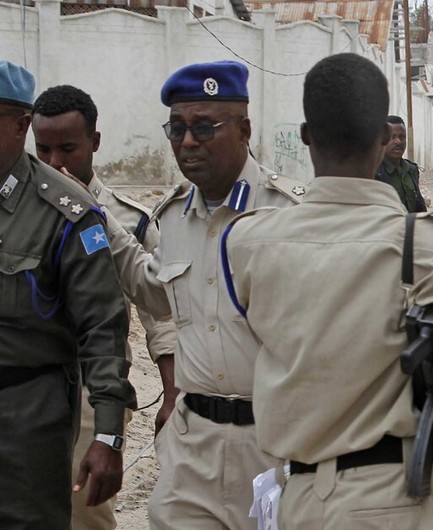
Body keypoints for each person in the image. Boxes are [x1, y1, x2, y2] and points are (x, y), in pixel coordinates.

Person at [224, 52, 433, 530]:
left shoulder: (248, 242)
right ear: (384, 139)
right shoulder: (432, 246)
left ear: (307, 137)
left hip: (293, 499)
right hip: (391, 497)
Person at [105, 60, 305, 529]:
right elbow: (156, 293)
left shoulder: (291, 213)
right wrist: (95, 217)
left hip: (273, 445)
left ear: (245, 129)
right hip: (194, 445)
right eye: (177, 129)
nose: (188, 142)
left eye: (203, 127)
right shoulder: (172, 218)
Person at [30, 84, 177, 530]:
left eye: (69, 148)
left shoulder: (126, 218)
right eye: (44, 149)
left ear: (95, 142)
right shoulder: (21, 213)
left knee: (84, 511)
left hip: (95, 388)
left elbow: (161, 315)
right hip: (27, 386)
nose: (56, 163)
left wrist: (172, 395)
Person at [0, 60, 135, 529]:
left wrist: (109, 436)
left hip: (30, 416)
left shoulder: (65, 212)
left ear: (20, 125)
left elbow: (103, 328)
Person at [375, 115, 427, 212]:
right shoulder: (374, 172)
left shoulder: (412, 169)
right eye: (392, 137)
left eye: (402, 137)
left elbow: (419, 205)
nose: (398, 142)